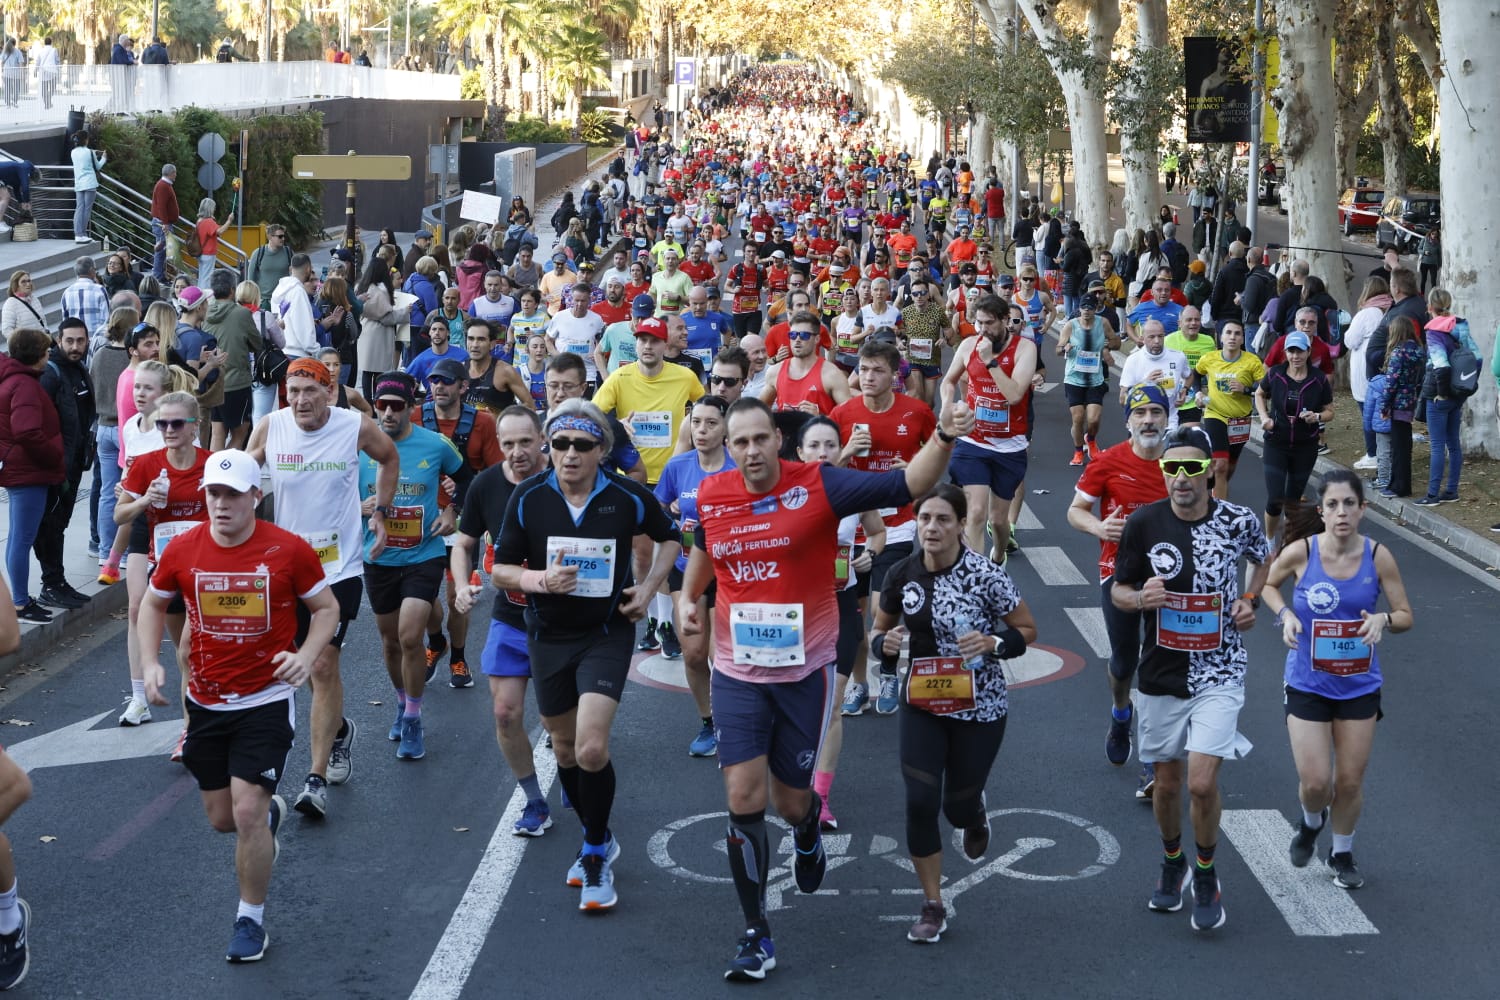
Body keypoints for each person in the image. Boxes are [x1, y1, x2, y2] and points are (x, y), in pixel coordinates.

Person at [677, 395, 974, 981]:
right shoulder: (713, 494)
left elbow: (905, 484)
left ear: (776, 441)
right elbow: (707, 552)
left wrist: (942, 434)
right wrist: (689, 598)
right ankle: (755, 934)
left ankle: (808, 827)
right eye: (740, 443)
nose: (751, 450)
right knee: (742, 798)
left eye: (760, 439)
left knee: (790, 803)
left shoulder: (819, 484)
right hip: (737, 671)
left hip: (802, 673)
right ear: (727, 449)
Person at [139, 449, 338, 962]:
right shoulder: (184, 550)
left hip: (265, 699)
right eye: (213, 494)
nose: (221, 504)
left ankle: (250, 920)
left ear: (256, 496)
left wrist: (307, 654)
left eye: (232, 494)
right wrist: (150, 664)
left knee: (246, 813)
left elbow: (325, 608)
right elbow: (152, 604)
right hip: (206, 702)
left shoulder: (289, 550)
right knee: (223, 820)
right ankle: (263, 817)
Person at [493, 398, 680, 911]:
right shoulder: (529, 498)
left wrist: (646, 591)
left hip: (605, 632)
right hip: (548, 633)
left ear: (602, 449)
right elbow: (502, 568)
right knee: (566, 749)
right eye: (559, 444)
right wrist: (540, 580)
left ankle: (595, 850)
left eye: (581, 445)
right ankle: (598, 830)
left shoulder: (625, 495)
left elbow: (671, 537)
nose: (569, 454)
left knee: (592, 748)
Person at [1111, 424, 1271, 933]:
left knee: (1201, 784)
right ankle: (1172, 858)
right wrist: (1139, 600)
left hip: (1219, 669)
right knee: (1167, 783)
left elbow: (1264, 561)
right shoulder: (1143, 522)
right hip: (1160, 671)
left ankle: (1205, 872)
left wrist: (1248, 602)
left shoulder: (1238, 520)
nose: (1180, 478)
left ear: (1210, 471)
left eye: (1190, 468)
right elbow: (1119, 589)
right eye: (1171, 468)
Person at [871, 484, 1037, 943]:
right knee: (920, 803)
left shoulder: (985, 575)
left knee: (956, 807)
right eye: (925, 519)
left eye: (943, 519)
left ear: (962, 525)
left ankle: (975, 811)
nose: (932, 528)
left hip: (980, 706)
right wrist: (883, 647)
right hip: (922, 702)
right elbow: (879, 633)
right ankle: (932, 903)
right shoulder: (901, 575)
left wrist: (994, 643)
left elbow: (1026, 627)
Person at [247, 358, 398, 819]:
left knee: (324, 663)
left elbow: (389, 457)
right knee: (300, 667)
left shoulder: (354, 426)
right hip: (285, 571)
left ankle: (313, 779)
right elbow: (241, 479)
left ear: (329, 391)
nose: (299, 400)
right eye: (292, 391)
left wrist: (381, 510)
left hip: (338, 568)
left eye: (309, 391)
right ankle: (337, 732)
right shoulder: (271, 428)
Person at [1259, 471, 1412, 888]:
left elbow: (1405, 616)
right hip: (1308, 682)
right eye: (1333, 505)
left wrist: (1384, 618)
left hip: (1359, 686)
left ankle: (1341, 852)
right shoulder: (1300, 552)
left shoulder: (1378, 557)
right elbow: (1267, 586)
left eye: (1350, 504)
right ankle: (1311, 822)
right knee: (1315, 783)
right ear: (1321, 511)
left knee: (1348, 781)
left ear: (1363, 509)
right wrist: (1285, 614)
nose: (1341, 512)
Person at [450, 405, 555, 835]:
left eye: (525, 442)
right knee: (506, 713)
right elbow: (463, 544)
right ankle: (534, 802)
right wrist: (460, 585)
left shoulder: (563, 480)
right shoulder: (486, 485)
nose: (516, 452)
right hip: (510, 617)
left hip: (561, 624)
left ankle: (574, 771)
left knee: (558, 724)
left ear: (541, 439)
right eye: (507, 443)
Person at [357, 372, 470, 761]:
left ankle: (414, 718)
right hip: (378, 556)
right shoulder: (357, 447)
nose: (388, 413)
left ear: (410, 407)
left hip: (424, 553)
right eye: (382, 405)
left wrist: (453, 511)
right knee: (389, 641)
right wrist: (359, 508)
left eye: (397, 406)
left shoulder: (434, 444)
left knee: (409, 637)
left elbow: (467, 478)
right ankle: (402, 702)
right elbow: (331, 496)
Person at [1068, 384, 1172, 796]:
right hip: (1120, 574)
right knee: (1125, 662)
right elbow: (1075, 511)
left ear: (1167, 418)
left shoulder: (1182, 464)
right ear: (1127, 419)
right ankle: (1120, 712)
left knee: (1156, 666)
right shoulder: (1108, 462)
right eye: (1141, 413)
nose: (1148, 420)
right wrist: (1099, 526)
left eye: (1156, 413)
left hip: (1169, 580)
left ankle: (1151, 762)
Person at [832, 337, 936, 716]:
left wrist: (914, 469)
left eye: (878, 370)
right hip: (851, 528)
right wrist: (845, 453)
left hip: (897, 524)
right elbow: (821, 472)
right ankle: (860, 685)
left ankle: (890, 671)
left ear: (895, 375)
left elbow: (940, 454)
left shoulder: (917, 411)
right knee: (857, 615)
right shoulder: (842, 414)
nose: (869, 376)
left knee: (882, 607)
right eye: (864, 369)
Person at [656, 395, 736, 755]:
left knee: (722, 658)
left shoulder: (738, 468)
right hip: (686, 568)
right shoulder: (678, 466)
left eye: (710, 423)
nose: (701, 430)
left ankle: (733, 722)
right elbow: (659, 509)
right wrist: (671, 513)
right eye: (697, 422)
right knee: (692, 653)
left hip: (728, 569)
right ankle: (709, 722)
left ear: (725, 429)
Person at [417, 357, 503, 687]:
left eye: (447, 381)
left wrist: (462, 495)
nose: (439, 386)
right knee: (422, 598)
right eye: (434, 381)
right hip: (422, 520)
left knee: (458, 596)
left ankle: (458, 658)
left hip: (463, 521)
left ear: (463, 387)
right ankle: (436, 641)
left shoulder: (483, 423)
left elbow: (496, 474)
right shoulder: (416, 417)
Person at [938, 294, 1037, 562]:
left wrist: (991, 362)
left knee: (998, 520)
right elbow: (948, 381)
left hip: (1010, 445)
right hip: (973, 440)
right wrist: (948, 405)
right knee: (976, 511)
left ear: (1005, 320)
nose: (982, 330)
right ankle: (977, 575)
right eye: (978, 323)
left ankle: (1000, 553)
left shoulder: (1025, 349)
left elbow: (1015, 395)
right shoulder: (970, 345)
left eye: (989, 323)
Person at [0, 329, 65, 624]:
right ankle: (21, 604)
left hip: (20, 467)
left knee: (18, 536)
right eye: (46, 349)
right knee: (22, 538)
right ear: (36, 354)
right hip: (28, 471)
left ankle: (20, 600)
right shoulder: (24, 385)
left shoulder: (15, 379)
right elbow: (27, 431)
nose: (49, 353)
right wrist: (53, 454)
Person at [33, 318, 96, 610]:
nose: (75, 346)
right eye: (69, 341)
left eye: (80, 341)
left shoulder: (79, 368)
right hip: (56, 467)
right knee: (50, 525)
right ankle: (51, 583)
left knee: (60, 524)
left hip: (72, 464)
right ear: (58, 339)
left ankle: (57, 582)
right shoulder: (51, 373)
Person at [1255, 330, 1334, 544]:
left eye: (1300, 351)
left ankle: (1289, 544)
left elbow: (1330, 411)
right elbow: (1259, 394)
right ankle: (1270, 541)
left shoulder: (1318, 380)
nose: (1295, 356)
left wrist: (1316, 416)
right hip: (1276, 443)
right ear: (1285, 352)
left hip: (1305, 447)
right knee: (1274, 499)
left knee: (1291, 502)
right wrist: (1264, 418)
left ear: (1308, 352)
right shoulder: (1276, 374)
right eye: (1291, 351)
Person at [1193, 318, 1265, 499]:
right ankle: (1219, 511)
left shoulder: (1252, 361)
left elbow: (1267, 390)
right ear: (1221, 337)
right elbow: (1196, 374)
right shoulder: (1209, 359)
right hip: (1215, 414)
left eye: (1237, 333)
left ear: (1242, 339)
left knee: (1229, 466)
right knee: (1220, 465)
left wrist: (1246, 389)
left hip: (1240, 420)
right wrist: (1198, 393)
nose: (1232, 337)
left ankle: (1214, 487)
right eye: (1228, 333)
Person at [1415, 289, 1475, 506]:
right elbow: (1475, 358)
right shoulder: (1461, 327)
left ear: (1430, 307)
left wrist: (1442, 393)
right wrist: (1466, 389)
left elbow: (1441, 366)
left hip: (1438, 395)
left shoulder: (1433, 332)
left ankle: (1432, 495)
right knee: (1454, 444)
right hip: (1459, 392)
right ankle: (1451, 490)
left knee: (1437, 445)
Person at [1056, 294, 1117, 465]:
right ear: (1079, 308)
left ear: (1095, 309)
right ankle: (1078, 451)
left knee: (1094, 419)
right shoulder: (1071, 326)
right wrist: (1064, 347)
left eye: (1090, 308)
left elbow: (1116, 342)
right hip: (1074, 378)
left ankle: (1090, 439)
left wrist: (1107, 347)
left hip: (1095, 379)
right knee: (1078, 418)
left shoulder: (1103, 323)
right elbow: (1058, 349)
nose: (1086, 311)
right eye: (1083, 308)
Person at [760, 311, 850, 416]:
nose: (797, 339)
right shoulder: (775, 372)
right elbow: (760, 410)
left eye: (804, 335)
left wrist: (820, 417)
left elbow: (850, 417)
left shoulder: (832, 374)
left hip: (820, 431)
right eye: (792, 335)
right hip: (786, 432)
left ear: (817, 339)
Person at [1378, 315, 1425, 499]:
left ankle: (1399, 486)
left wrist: (1384, 406)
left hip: (1398, 403)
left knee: (1398, 447)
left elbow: (1391, 382)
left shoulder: (1398, 353)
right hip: (1411, 400)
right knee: (1405, 445)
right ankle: (1402, 484)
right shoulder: (1418, 351)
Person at [70, 132, 106, 244]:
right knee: (87, 209)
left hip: (79, 183)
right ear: (86, 140)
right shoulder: (89, 152)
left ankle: (78, 234)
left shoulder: (73, 152)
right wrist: (104, 158)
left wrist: (93, 153)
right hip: (90, 183)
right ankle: (83, 234)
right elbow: (98, 166)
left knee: (79, 208)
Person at [247, 226, 293, 311]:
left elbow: (294, 275)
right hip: (264, 301)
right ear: (270, 237)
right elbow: (250, 279)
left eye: (283, 236)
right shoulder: (258, 253)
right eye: (280, 236)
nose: (283, 239)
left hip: (283, 299)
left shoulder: (288, 252)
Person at [149, 165, 182, 282]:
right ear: (171, 173)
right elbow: (161, 206)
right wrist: (165, 223)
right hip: (162, 224)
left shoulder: (165, 185)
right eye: (175, 173)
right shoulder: (163, 186)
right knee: (161, 250)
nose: (176, 175)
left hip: (162, 223)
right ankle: (158, 276)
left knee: (163, 250)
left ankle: (160, 275)